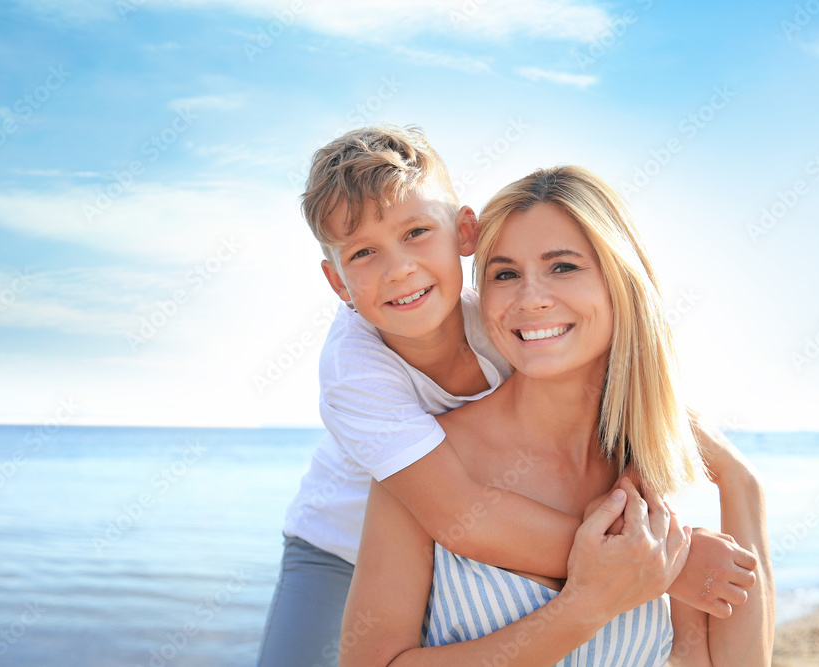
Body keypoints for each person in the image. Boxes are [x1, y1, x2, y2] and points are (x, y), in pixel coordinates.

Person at [258, 127, 759, 666]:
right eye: (363, 253)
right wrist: (664, 564)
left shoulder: (500, 315)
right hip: (334, 543)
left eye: (417, 232)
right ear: (338, 284)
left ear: (464, 233)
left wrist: (733, 477)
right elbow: (462, 513)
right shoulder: (353, 370)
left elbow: (602, 376)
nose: (398, 267)